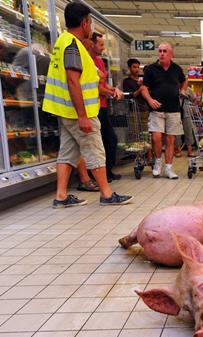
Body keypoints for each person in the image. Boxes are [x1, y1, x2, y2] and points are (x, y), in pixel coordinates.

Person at [42, 2, 132, 208]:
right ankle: (107, 194)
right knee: (95, 150)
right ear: (84, 23)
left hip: (66, 111)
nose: (90, 28)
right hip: (78, 112)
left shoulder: (63, 42)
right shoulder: (73, 45)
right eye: (90, 23)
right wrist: (83, 116)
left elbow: (84, 81)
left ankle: (61, 196)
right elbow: (73, 81)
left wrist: (108, 90)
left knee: (67, 153)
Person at [141, 43, 187, 179]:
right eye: (160, 51)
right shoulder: (150, 69)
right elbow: (144, 88)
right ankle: (157, 162)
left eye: (165, 51)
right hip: (157, 109)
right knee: (156, 138)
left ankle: (169, 168)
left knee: (170, 139)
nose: (161, 53)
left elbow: (184, 81)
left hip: (173, 109)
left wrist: (183, 90)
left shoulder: (176, 69)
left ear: (171, 54)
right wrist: (150, 100)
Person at [89, 32, 123, 182]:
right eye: (101, 44)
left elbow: (103, 85)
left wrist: (113, 89)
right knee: (99, 143)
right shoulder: (88, 61)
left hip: (103, 107)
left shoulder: (99, 61)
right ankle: (96, 175)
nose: (103, 48)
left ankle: (107, 171)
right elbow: (95, 87)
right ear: (92, 44)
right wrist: (110, 92)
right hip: (93, 107)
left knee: (110, 140)